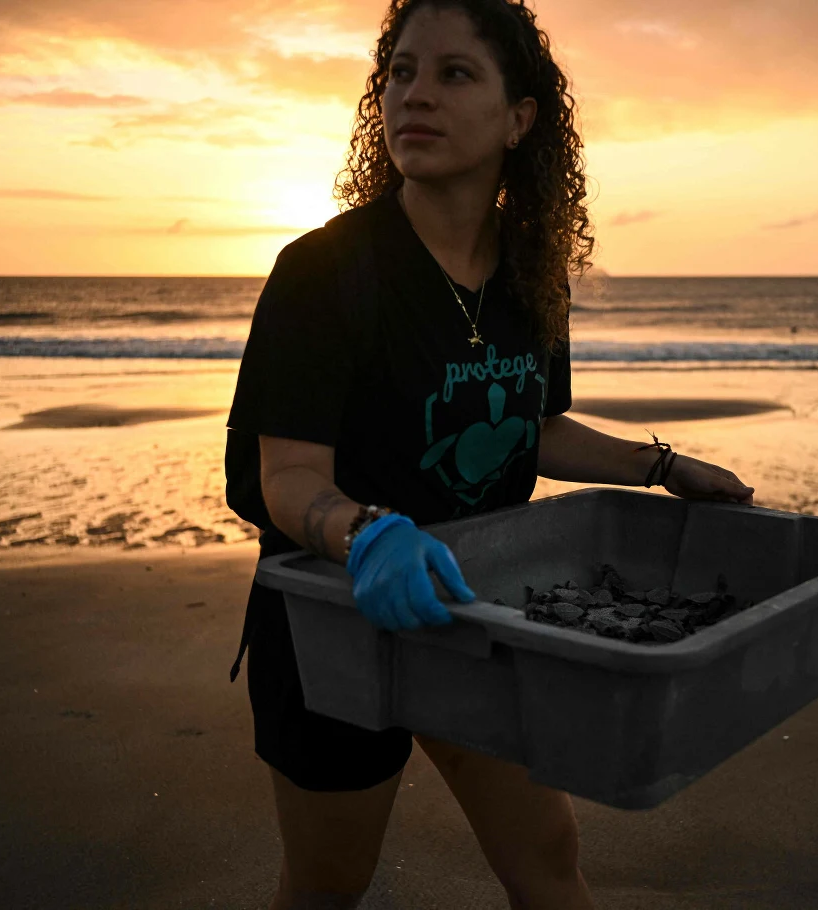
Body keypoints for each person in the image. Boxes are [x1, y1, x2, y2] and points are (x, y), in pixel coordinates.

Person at [225, 2, 756, 907]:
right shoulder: (327, 270)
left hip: (478, 614)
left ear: (520, 117)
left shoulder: (527, 275)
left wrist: (662, 467)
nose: (414, 95)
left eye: (453, 73)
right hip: (337, 629)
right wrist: (370, 535)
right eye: (400, 72)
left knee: (547, 858)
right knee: (326, 886)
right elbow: (287, 476)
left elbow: (532, 425)